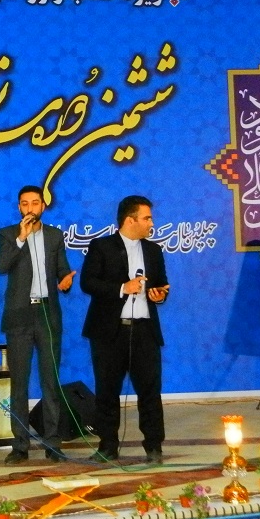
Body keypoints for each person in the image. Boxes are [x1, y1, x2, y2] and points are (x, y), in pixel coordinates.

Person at [80, 195, 170, 464]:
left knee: (150, 391)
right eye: (147, 218)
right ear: (130, 220)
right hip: (110, 331)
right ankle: (108, 446)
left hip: (144, 331)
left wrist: (159, 295)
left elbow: (162, 284)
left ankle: (153, 446)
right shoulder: (101, 246)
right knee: (107, 391)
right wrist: (123, 288)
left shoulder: (154, 250)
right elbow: (88, 283)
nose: (151, 223)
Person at [0, 185, 76, 464]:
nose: (30, 208)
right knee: (19, 384)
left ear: (43, 206)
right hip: (19, 316)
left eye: (35, 203)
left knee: (50, 382)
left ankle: (52, 443)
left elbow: (62, 267)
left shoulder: (54, 236)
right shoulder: (7, 234)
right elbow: (2, 266)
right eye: (24, 203)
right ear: (19, 208)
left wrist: (65, 280)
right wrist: (21, 238)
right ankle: (20, 445)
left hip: (47, 314)